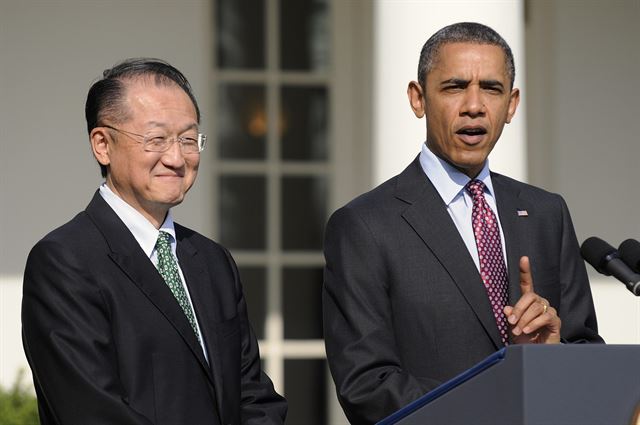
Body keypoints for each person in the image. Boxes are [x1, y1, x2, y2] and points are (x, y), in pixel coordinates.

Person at [322, 22, 603, 424]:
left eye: (491, 88)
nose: (474, 105)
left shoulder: (546, 213)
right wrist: (496, 406)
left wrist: (551, 354)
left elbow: (589, 359)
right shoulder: (364, 226)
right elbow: (367, 386)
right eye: (454, 87)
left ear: (511, 104)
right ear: (418, 99)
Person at [22, 58, 287, 425]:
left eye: (189, 139)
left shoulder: (211, 260)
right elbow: (92, 411)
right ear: (102, 145)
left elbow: (253, 395)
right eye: (157, 138)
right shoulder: (65, 262)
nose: (177, 157)